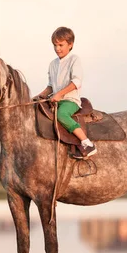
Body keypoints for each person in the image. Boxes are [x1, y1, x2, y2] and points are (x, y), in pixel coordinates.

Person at [34, 26, 97, 158]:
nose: (57, 48)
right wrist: (39, 96)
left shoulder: (74, 60)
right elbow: (51, 86)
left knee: (62, 115)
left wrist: (60, 94)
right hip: (57, 101)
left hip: (70, 101)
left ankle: (87, 143)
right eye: (55, 45)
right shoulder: (52, 64)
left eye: (61, 45)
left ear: (70, 44)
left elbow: (76, 82)